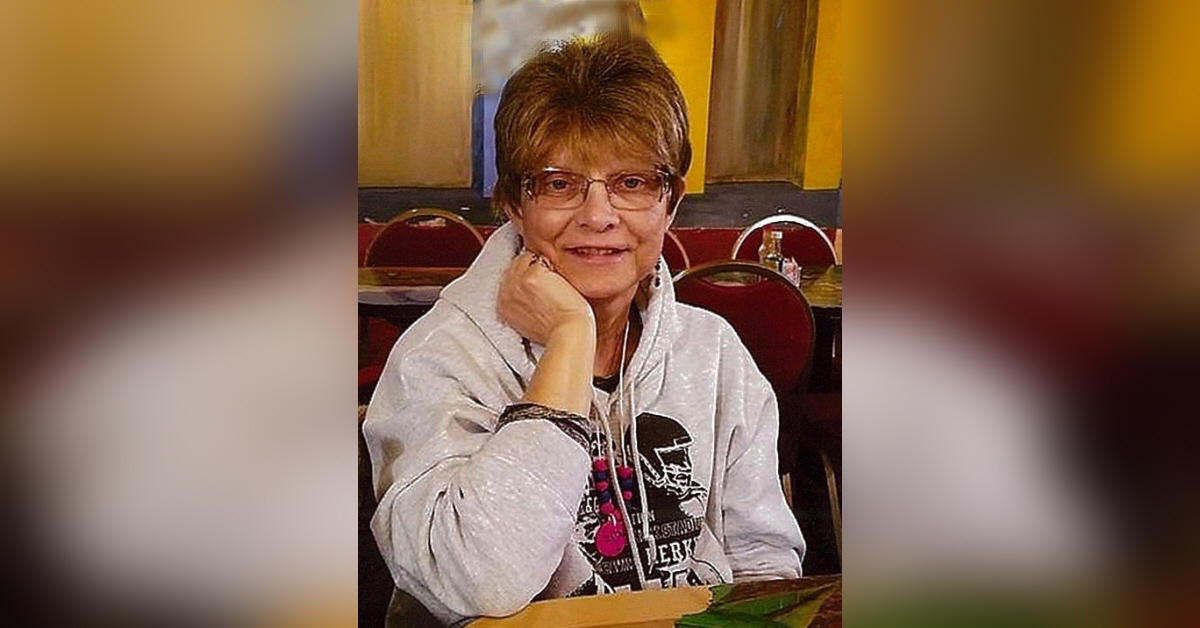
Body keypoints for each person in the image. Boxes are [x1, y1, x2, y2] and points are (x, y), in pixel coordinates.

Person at [363, 34, 805, 626]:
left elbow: (763, 565)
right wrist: (571, 338)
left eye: (632, 183)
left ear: (670, 203)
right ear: (513, 204)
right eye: (559, 183)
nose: (598, 216)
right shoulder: (438, 359)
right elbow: (478, 582)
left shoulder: (715, 352)